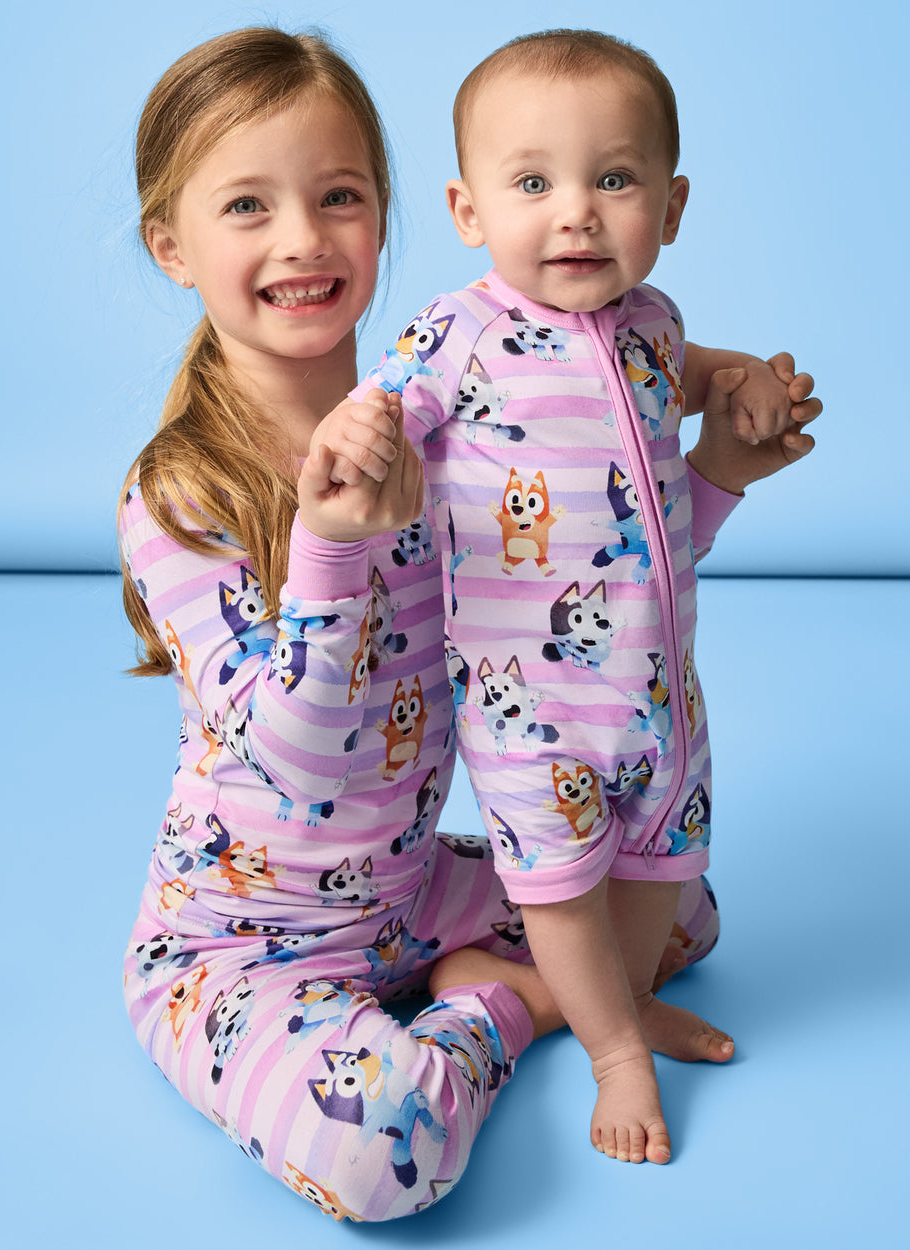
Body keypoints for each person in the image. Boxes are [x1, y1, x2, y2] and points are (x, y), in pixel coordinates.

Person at [119, 26, 815, 1222]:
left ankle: (512, 966)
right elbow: (286, 750)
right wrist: (334, 546)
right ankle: (504, 1000)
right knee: (378, 1149)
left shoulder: (457, 420)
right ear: (173, 247)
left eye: (337, 196)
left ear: (389, 217)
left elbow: (585, 604)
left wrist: (720, 469)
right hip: (246, 942)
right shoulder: (180, 495)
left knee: (677, 911)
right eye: (247, 206)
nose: (301, 239)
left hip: (406, 893)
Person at [331, 28, 821, 1169]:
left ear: (672, 200)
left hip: (660, 691)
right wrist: (361, 437)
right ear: (467, 209)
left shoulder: (653, 323)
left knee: (665, 860)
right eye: (533, 182)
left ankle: (628, 998)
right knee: (557, 882)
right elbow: (386, 408)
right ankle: (611, 1051)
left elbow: (698, 369)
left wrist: (744, 385)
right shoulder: (454, 335)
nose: (576, 214)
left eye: (613, 178)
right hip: (527, 700)